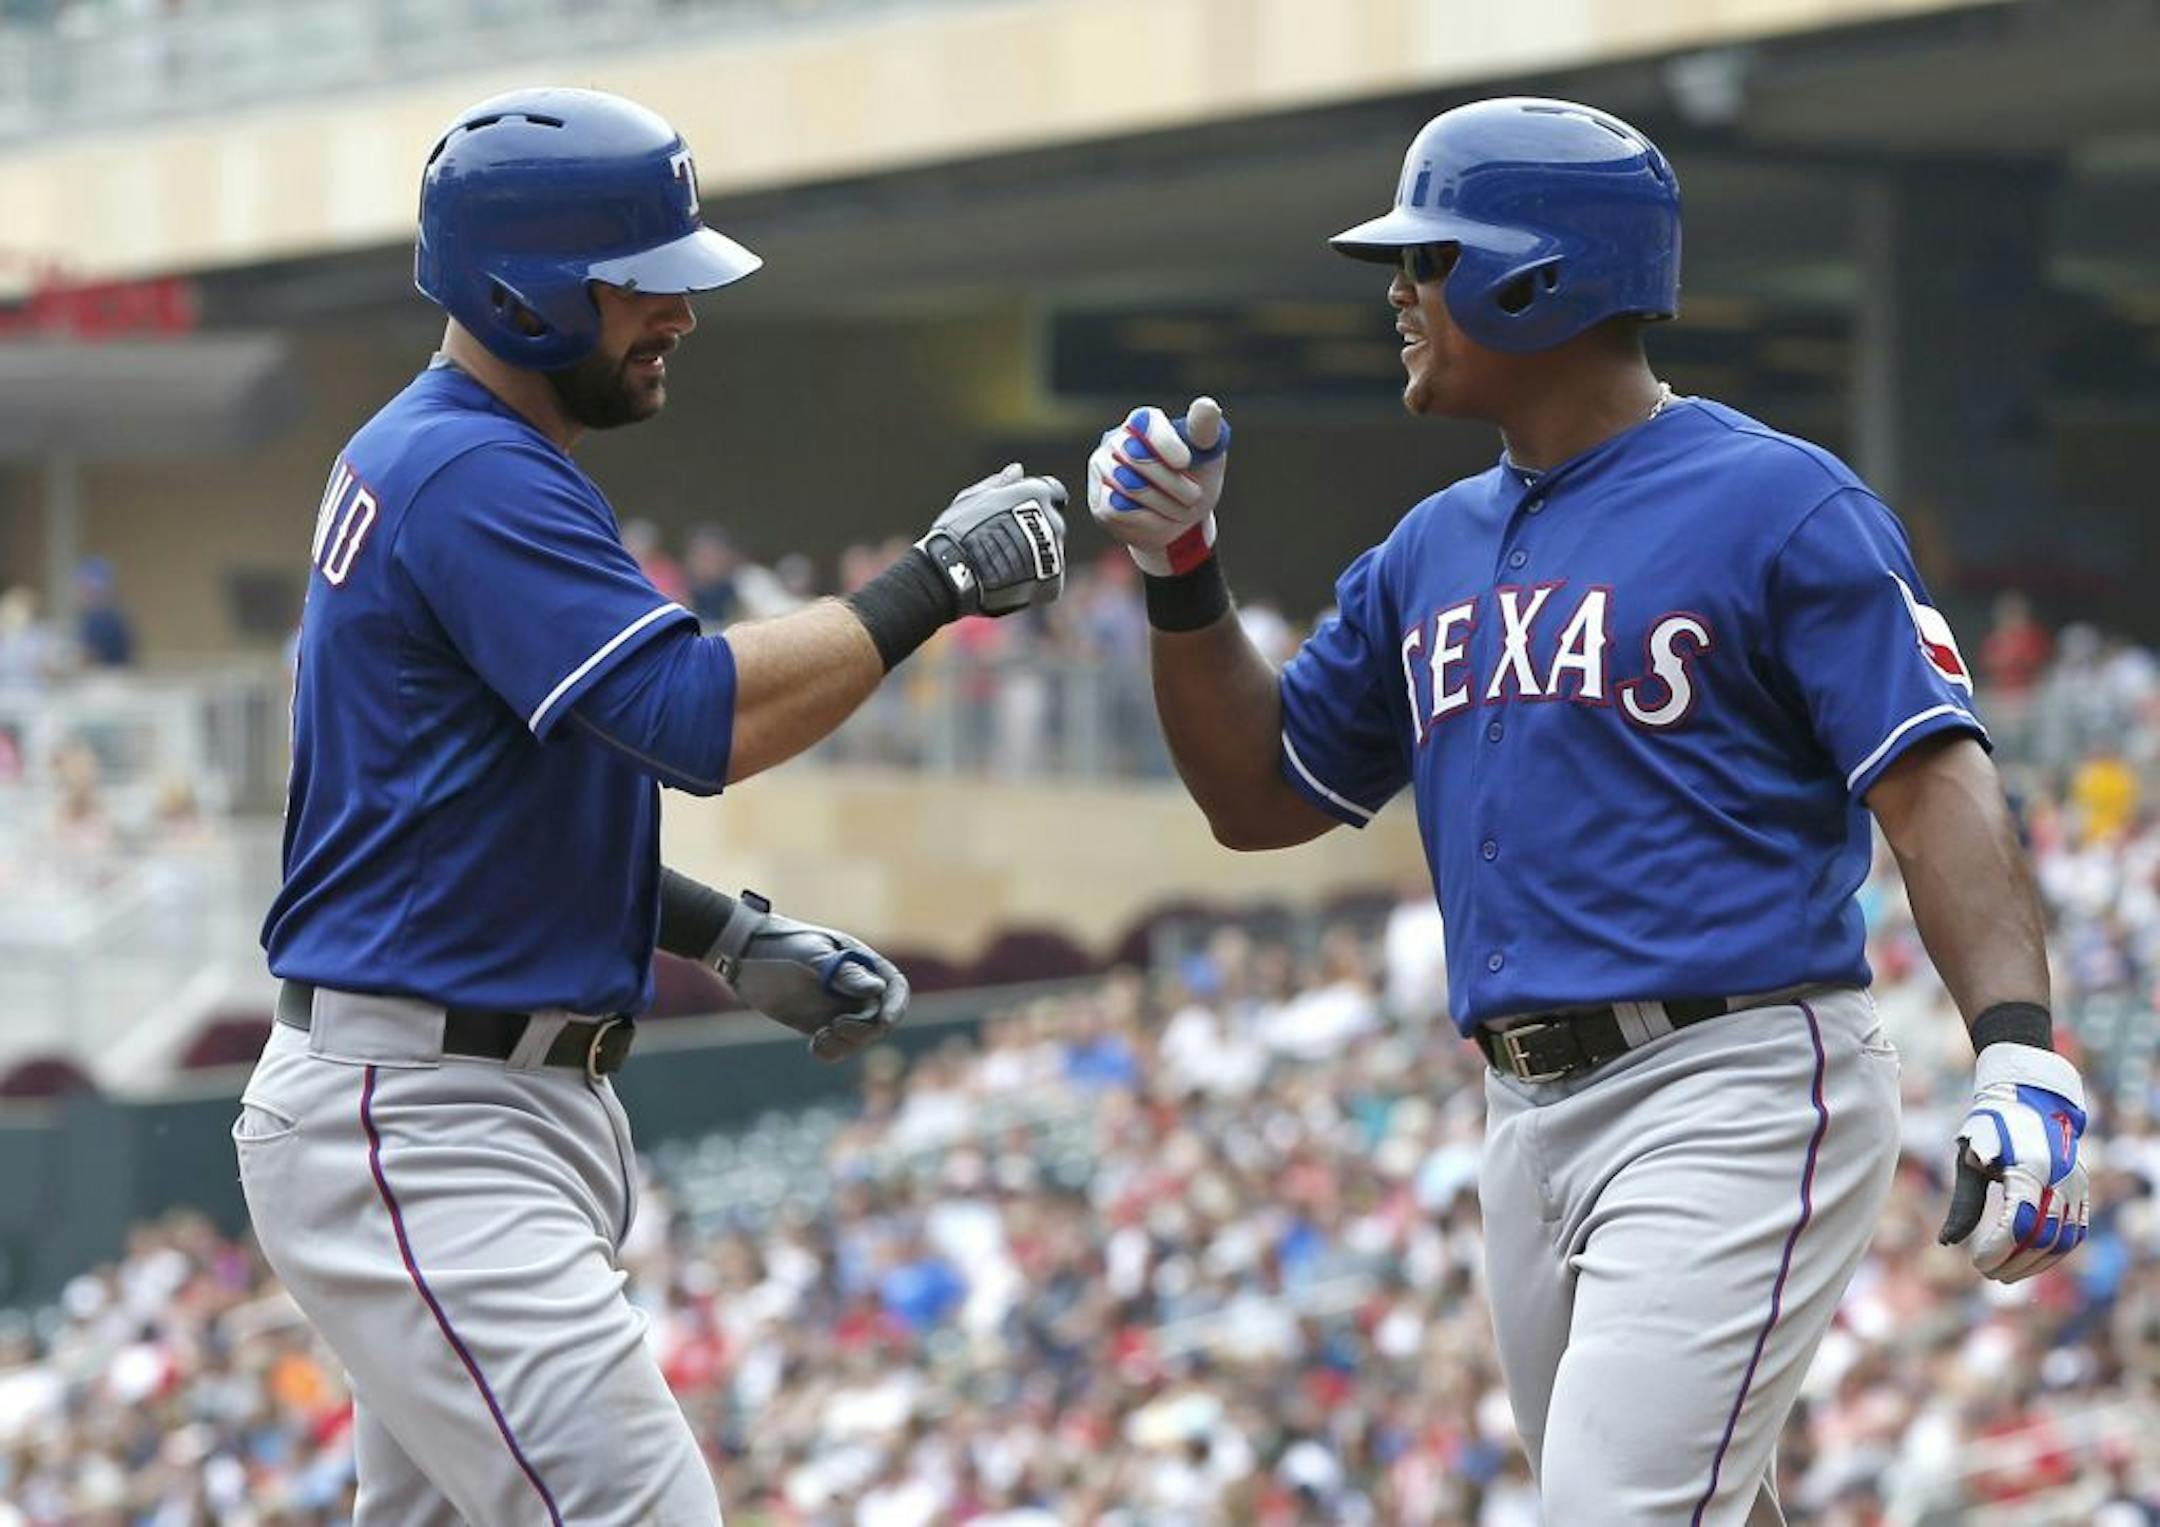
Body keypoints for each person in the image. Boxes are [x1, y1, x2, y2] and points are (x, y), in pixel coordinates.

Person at [1086, 96, 2090, 1524]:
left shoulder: (1779, 503)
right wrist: (1183, 571)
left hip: (1730, 1088)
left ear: (1532, 275)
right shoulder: (1426, 549)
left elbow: (1935, 785)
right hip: (1525, 1112)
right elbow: (1257, 797)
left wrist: (2019, 1054)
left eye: (1427, 259)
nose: (1400, 295)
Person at [236, 87, 1066, 1525]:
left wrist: (720, 935)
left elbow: (463, 824)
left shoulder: (451, 453)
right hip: (430, 1115)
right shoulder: (470, 471)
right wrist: (934, 582)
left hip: (449, 1095)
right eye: (643, 284)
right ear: (526, 295)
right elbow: (695, 719)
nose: (678, 313)